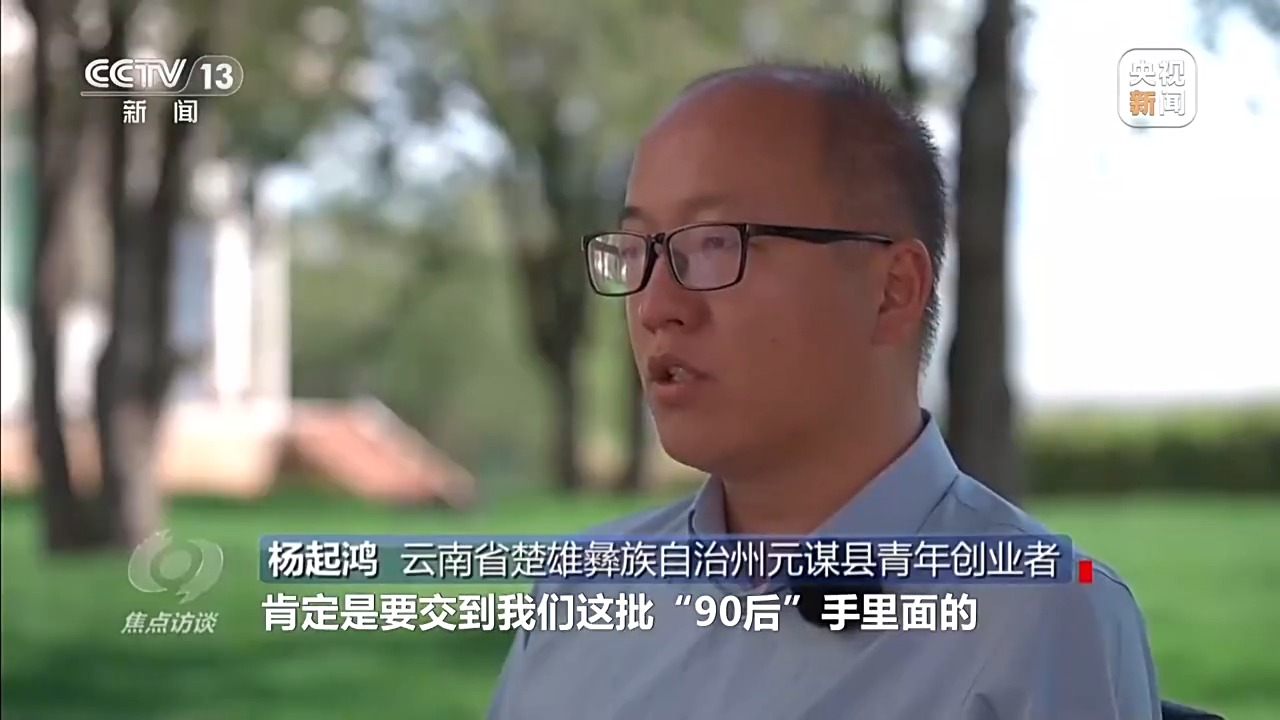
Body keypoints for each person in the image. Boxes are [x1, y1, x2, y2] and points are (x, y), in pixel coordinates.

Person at [487, 62, 1161, 720]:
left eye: (716, 245)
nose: (657, 305)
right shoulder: (583, 591)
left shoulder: (1039, 621)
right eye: (638, 251)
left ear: (892, 291)